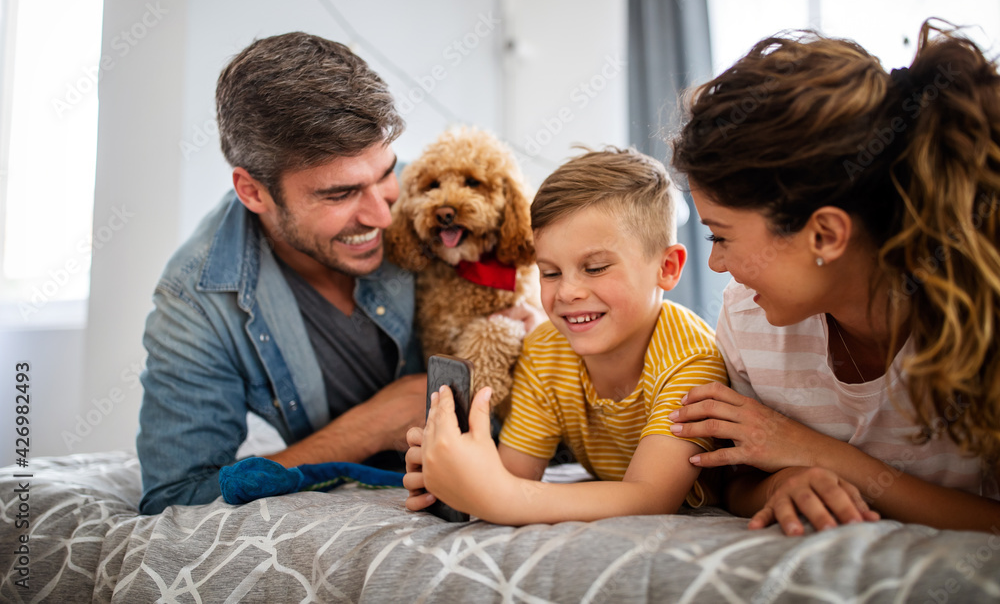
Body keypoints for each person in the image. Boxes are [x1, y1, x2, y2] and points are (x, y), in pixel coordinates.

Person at [136, 33, 540, 515]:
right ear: (253, 192)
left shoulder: (434, 199)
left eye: (386, 173)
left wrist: (544, 329)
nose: (384, 217)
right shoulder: (196, 302)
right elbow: (176, 500)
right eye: (340, 194)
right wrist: (370, 427)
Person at [667, 20, 1000, 535]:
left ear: (824, 235)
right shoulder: (748, 318)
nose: (716, 264)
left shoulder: (981, 319)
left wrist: (821, 455)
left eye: (721, 236)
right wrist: (783, 483)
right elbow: (733, 480)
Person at [403, 147, 729, 524]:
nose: (567, 292)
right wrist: (455, 476)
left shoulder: (690, 358)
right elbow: (512, 476)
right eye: (551, 272)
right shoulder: (545, 351)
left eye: (595, 268)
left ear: (667, 268)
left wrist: (498, 496)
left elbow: (651, 496)